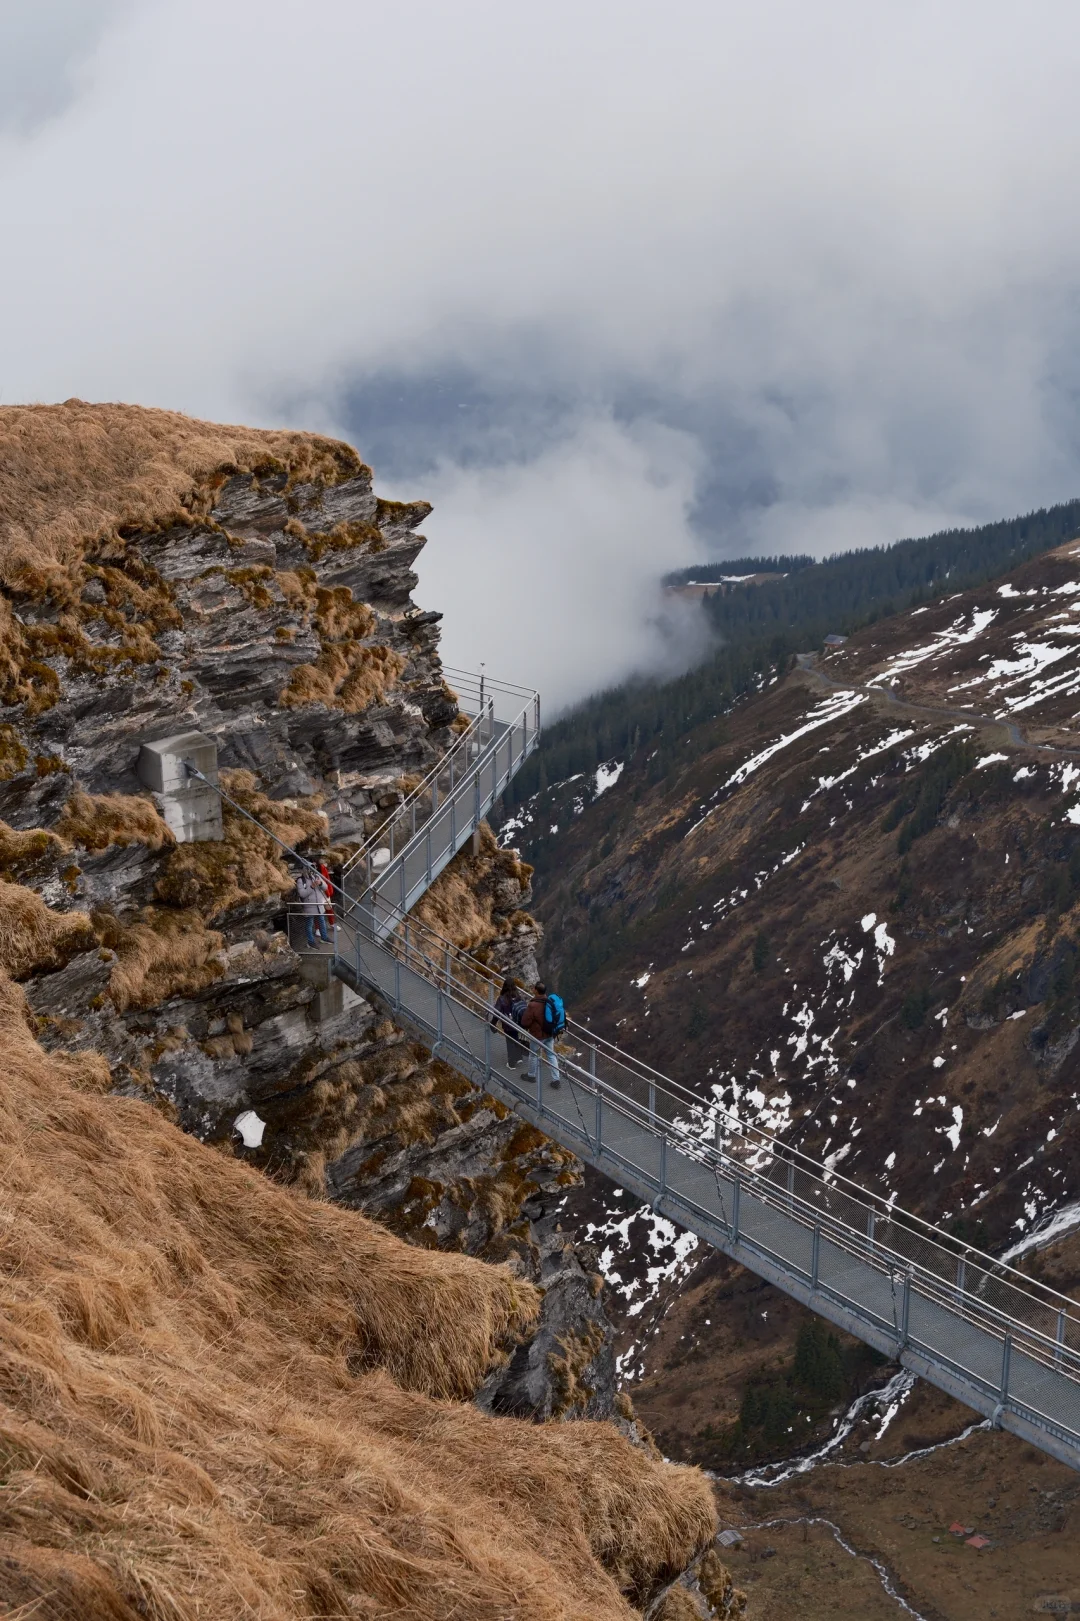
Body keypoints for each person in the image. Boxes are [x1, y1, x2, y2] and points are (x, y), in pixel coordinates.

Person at [523, 980, 565, 1090]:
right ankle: (556, 1080)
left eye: (534, 988)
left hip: (537, 1035)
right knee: (551, 1055)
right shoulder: (549, 1002)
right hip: (549, 1034)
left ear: (536, 991)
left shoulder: (533, 1005)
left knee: (533, 1054)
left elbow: (525, 1022)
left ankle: (531, 1076)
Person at [491, 977, 527, 1070]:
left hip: (508, 1024)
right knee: (515, 1037)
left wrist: (493, 1024)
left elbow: (497, 1013)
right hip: (518, 1023)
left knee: (510, 1042)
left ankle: (511, 1064)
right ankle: (519, 1057)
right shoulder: (518, 996)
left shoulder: (502, 999)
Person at [296, 866, 330, 948]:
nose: (311, 871)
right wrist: (312, 887)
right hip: (309, 906)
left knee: (322, 922)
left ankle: (324, 938)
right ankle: (310, 942)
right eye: (309, 869)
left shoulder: (317, 876)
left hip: (319, 905)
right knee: (309, 924)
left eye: (313, 868)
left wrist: (321, 883)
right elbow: (302, 894)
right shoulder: (300, 880)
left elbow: (326, 887)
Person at [317, 858, 336, 928]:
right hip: (319, 893)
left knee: (329, 909)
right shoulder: (319, 870)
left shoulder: (323, 869)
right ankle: (318, 928)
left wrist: (329, 891)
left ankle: (332, 924)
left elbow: (327, 880)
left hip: (325, 892)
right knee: (319, 912)